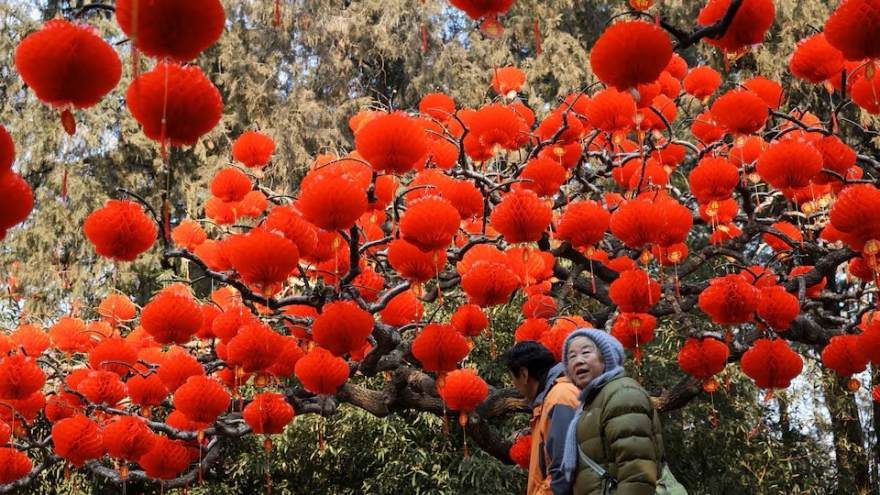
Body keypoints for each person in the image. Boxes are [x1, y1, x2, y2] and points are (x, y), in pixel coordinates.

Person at [556, 328, 665, 495]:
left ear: (606, 357)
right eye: (571, 356)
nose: (578, 361)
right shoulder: (590, 403)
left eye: (586, 353)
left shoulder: (622, 393)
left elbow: (637, 470)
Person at [503, 340, 581, 495]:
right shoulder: (551, 399)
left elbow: (563, 472)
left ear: (524, 374)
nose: (514, 385)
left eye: (513, 378)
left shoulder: (560, 397)